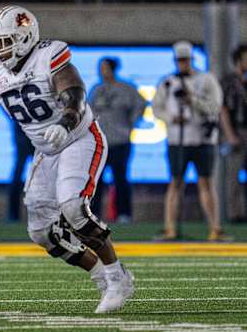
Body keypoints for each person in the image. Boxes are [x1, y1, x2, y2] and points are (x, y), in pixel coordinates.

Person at [0, 5, 135, 314]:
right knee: (42, 233)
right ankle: (101, 276)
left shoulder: (49, 55)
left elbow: (74, 93)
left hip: (79, 138)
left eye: (4, 42)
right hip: (46, 150)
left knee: (73, 208)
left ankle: (118, 275)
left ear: (25, 37)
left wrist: (66, 121)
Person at [152, 40, 227, 241]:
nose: (183, 64)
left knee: (206, 181)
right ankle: (170, 228)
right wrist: (171, 118)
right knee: (175, 182)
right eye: (179, 60)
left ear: (192, 59)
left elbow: (214, 107)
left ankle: (215, 228)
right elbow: (157, 108)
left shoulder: (207, 80)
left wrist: (193, 99)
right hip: (178, 140)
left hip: (203, 139)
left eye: (185, 60)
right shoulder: (167, 82)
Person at [88, 57, 146, 223]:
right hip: (100, 142)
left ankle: (124, 214)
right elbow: (88, 111)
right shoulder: (96, 90)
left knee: (120, 178)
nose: (102, 71)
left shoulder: (126, 89)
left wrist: (131, 124)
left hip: (120, 141)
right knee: (96, 180)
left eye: (105, 68)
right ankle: (92, 214)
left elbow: (140, 105)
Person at [219, 45, 247, 222]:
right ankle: (235, 214)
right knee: (234, 175)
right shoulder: (229, 81)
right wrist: (229, 134)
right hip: (237, 130)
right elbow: (224, 109)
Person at [8, 121, 34, 221]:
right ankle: (13, 215)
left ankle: (13, 215)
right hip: (29, 133)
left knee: (18, 174)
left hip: (23, 132)